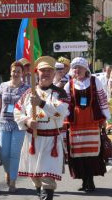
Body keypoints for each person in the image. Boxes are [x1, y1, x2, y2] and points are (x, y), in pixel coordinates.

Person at [14, 56, 69, 200]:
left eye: (49, 71)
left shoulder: (60, 93)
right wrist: (27, 121)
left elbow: (62, 111)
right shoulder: (28, 93)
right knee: (36, 177)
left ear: (54, 73)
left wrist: (42, 103)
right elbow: (17, 111)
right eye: (42, 71)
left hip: (51, 141)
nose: (45, 74)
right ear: (37, 73)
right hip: (33, 139)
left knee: (47, 178)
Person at [64, 57, 111, 192]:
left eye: (80, 67)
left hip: (92, 121)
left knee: (92, 152)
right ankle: (84, 181)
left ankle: (90, 181)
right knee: (79, 153)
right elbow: (66, 104)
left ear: (86, 69)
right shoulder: (70, 84)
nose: (77, 70)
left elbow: (102, 99)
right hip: (76, 123)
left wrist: (105, 117)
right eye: (75, 67)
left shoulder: (95, 81)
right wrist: (63, 119)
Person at [0, 61, 29, 192]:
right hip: (4, 124)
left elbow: (29, 108)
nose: (16, 73)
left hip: (19, 125)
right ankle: (8, 171)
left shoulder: (27, 88)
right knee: (5, 154)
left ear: (22, 73)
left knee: (15, 153)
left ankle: (12, 181)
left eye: (18, 71)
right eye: (14, 71)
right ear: (10, 72)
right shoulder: (3, 86)